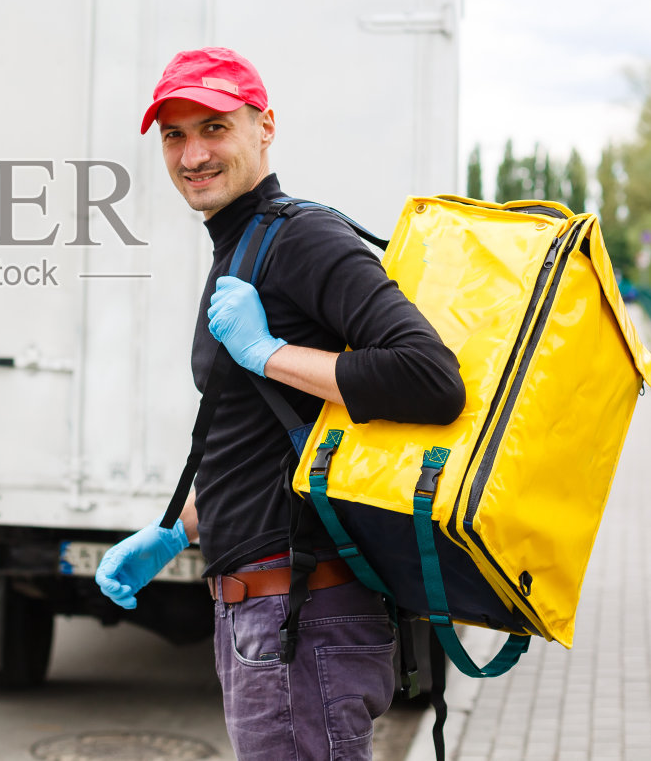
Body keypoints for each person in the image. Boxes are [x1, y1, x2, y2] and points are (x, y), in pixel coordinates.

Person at [95, 47, 465, 760]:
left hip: (304, 614)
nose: (192, 152)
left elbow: (431, 377)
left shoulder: (304, 238)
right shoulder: (242, 246)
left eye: (213, 126)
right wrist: (176, 530)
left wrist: (268, 353)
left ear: (264, 126)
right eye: (174, 134)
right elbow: (264, 439)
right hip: (267, 613)